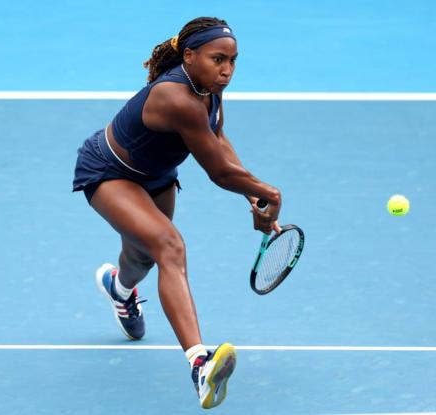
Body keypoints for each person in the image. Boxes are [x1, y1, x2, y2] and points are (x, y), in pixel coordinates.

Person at [73, 16, 281, 409]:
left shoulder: (209, 88)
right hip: (109, 171)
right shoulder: (177, 98)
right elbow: (218, 171)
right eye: (218, 59)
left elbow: (217, 139)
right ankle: (199, 364)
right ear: (189, 56)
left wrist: (250, 196)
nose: (227, 71)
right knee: (170, 246)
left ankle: (118, 288)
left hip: (157, 175)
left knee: (142, 258)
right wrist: (270, 192)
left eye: (233, 61)